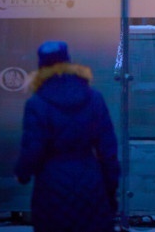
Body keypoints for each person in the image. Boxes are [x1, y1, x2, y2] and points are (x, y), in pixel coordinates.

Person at [15, 41, 120, 232]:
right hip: (90, 181)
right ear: (69, 63)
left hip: (51, 184)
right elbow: (108, 148)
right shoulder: (93, 98)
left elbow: (33, 147)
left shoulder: (37, 103)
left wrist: (22, 173)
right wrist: (110, 187)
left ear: (41, 67)